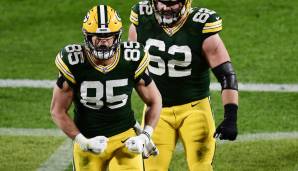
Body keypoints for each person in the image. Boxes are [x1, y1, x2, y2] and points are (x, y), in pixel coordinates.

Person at [129, 0, 239, 170]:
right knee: (151, 168)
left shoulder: (201, 25)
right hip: (157, 111)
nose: (165, 8)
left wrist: (230, 117)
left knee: (201, 166)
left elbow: (226, 75)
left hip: (194, 109)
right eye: (161, 2)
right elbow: (130, 67)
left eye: (172, 3)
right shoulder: (141, 19)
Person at [50, 4, 162, 171]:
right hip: (89, 139)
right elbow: (57, 110)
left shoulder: (131, 57)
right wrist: (83, 142)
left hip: (126, 140)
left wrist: (144, 136)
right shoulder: (73, 61)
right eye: (98, 37)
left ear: (117, 36)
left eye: (108, 36)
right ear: (87, 36)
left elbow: (155, 100)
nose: (103, 42)